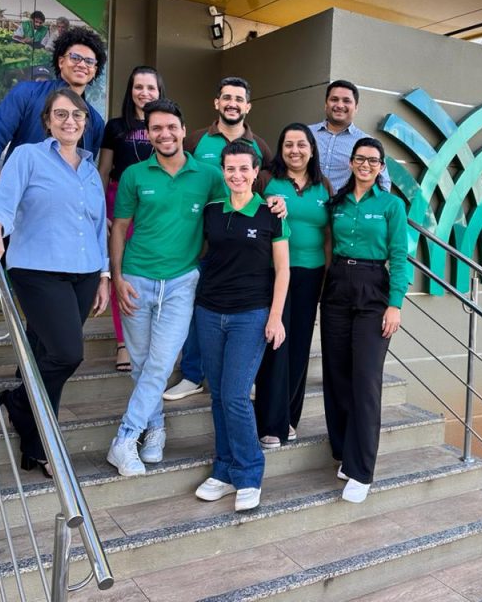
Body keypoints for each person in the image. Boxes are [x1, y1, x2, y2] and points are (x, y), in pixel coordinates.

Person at [0, 26, 108, 388]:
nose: (82, 64)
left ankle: (28, 377)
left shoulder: (93, 119)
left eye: (90, 61)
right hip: (13, 214)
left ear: (95, 71)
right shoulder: (28, 94)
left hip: (53, 228)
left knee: (44, 305)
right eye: (75, 57)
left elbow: (84, 169)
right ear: (60, 61)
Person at [0, 88, 110, 478]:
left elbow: (97, 227)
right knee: (67, 354)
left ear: (86, 123)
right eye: (61, 114)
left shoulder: (90, 170)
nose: (70, 121)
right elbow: (4, 201)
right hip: (38, 269)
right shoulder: (28, 156)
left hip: (85, 272)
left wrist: (104, 275)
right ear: (48, 121)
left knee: (45, 354)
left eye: (77, 115)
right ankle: (22, 403)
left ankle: (35, 441)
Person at [105, 99, 227, 477]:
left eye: (171, 127)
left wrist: (275, 204)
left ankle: (125, 437)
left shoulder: (209, 175)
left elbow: (233, 211)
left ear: (183, 130)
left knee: (160, 363)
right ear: (148, 134)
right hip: (136, 279)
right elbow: (119, 228)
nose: (165, 134)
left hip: (181, 282)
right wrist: (117, 278)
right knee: (142, 364)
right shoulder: (134, 175)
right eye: (156, 128)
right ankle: (155, 428)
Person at [164, 76, 274, 402]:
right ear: (217, 102)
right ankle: (192, 375)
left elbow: (271, 185)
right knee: (200, 309)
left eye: (239, 99)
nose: (232, 104)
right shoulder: (196, 140)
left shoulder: (261, 146)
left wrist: (277, 202)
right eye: (227, 97)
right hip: (202, 239)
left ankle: (240, 378)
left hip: (245, 246)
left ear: (248, 106)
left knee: (242, 315)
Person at [194, 140, 289, 512]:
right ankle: (223, 469)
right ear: (223, 171)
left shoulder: (271, 213)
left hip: (250, 315)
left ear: (255, 171)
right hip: (209, 312)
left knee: (235, 395)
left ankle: (249, 473)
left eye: (243, 169)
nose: (237, 175)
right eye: (230, 169)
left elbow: (283, 270)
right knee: (218, 395)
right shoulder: (212, 211)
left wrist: (275, 317)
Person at [321, 137, 409, 503]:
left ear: (381, 166)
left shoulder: (391, 205)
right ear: (351, 162)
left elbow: (400, 256)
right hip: (338, 286)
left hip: (374, 290)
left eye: (373, 160)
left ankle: (361, 470)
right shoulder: (337, 203)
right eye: (360, 158)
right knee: (337, 374)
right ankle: (344, 451)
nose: (366, 165)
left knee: (366, 379)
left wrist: (395, 304)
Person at [254, 123, 332, 449]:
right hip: (274, 274)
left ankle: (289, 417)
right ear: (280, 148)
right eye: (288, 144)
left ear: (312, 150)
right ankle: (269, 423)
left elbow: (328, 235)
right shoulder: (265, 180)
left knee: (299, 347)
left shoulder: (323, 186)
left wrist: (328, 277)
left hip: (311, 275)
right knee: (275, 345)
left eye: (301, 144)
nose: (295, 150)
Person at [98, 66, 164, 372]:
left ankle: (149, 339)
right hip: (119, 200)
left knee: (151, 269)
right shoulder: (115, 126)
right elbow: (103, 171)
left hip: (155, 204)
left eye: (151, 88)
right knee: (120, 270)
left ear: (159, 91)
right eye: (139, 87)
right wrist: (101, 213)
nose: (145, 93)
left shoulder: (165, 124)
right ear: (130, 90)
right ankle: (123, 342)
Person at [309, 79, 390, 192]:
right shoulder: (306, 134)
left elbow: (383, 183)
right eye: (334, 99)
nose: (339, 105)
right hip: (306, 201)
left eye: (346, 101)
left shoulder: (367, 143)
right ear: (326, 104)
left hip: (344, 203)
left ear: (356, 107)